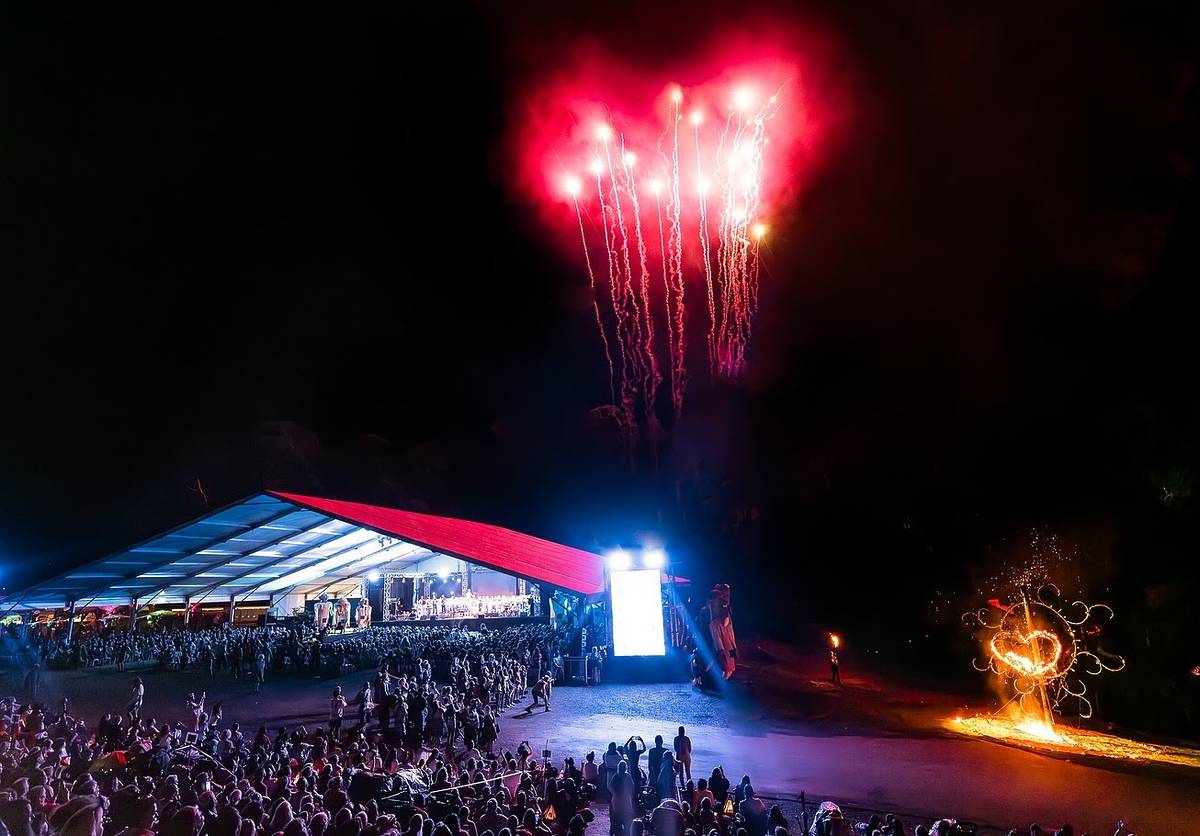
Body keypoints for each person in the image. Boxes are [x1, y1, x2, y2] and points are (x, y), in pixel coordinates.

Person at [609, 761, 635, 836]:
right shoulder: (628, 776)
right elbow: (632, 787)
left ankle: (617, 832)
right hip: (626, 799)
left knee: (616, 817)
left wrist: (615, 793)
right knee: (626, 817)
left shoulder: (616, 776)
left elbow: (610, 787)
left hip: (616, 799)